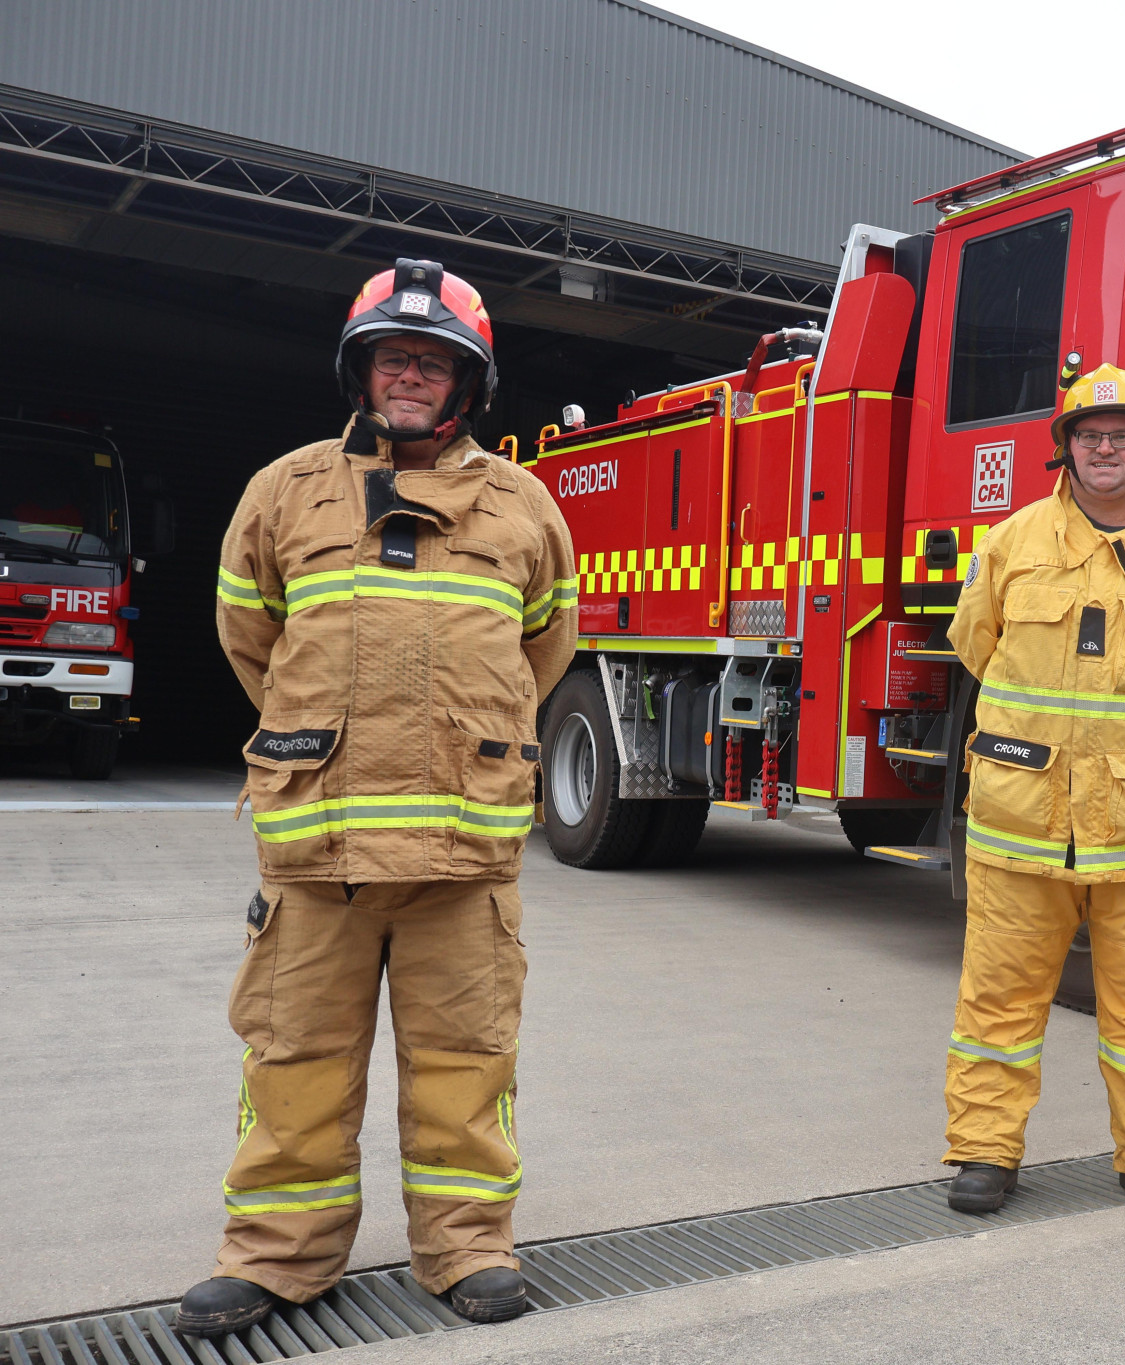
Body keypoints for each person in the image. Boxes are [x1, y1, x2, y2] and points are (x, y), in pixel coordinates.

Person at [177, 258, 577, 1336]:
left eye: (435, 360)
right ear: (360, 369)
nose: (412, 375)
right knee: (295, 1059)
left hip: (462, 853)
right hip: (320, 853)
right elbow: (248, 639)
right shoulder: (286, 490)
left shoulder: (525, 508)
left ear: (469, 385)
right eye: (394, 355)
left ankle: (466, 1248)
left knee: (466, 1062)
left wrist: (465, 752)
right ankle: (276, 1257)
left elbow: (543, 652)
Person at [943, 364, 1125, 1215]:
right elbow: (976, 644)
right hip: (1019, 826)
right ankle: (984, 1152)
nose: (1104, 447)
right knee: (997, 1000)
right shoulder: (1010, 544)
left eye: (1122, 434)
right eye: (1087, 434)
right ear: (1066, 449)